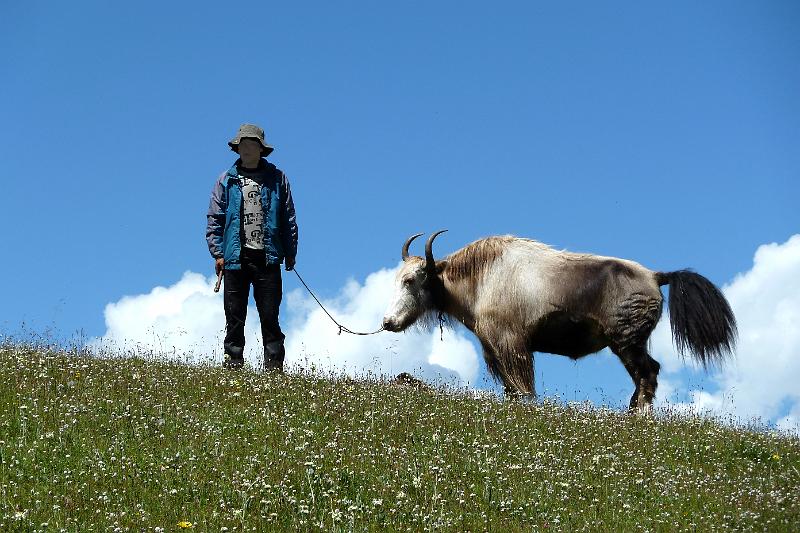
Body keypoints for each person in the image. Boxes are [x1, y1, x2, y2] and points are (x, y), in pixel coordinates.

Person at [206, 124, 298, 372]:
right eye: (242, 144)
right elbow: (215, 217)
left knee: (270, 315)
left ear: (260, 149)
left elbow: (288, 216)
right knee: (234, 316)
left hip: (267, 258)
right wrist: (217, 253)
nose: (246, 148)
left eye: (252, 144)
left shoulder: (277, 179)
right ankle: (233, 363)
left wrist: (290, 253)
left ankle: (274, 367)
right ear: (237, 148)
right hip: (235, 258)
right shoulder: (226, 179)